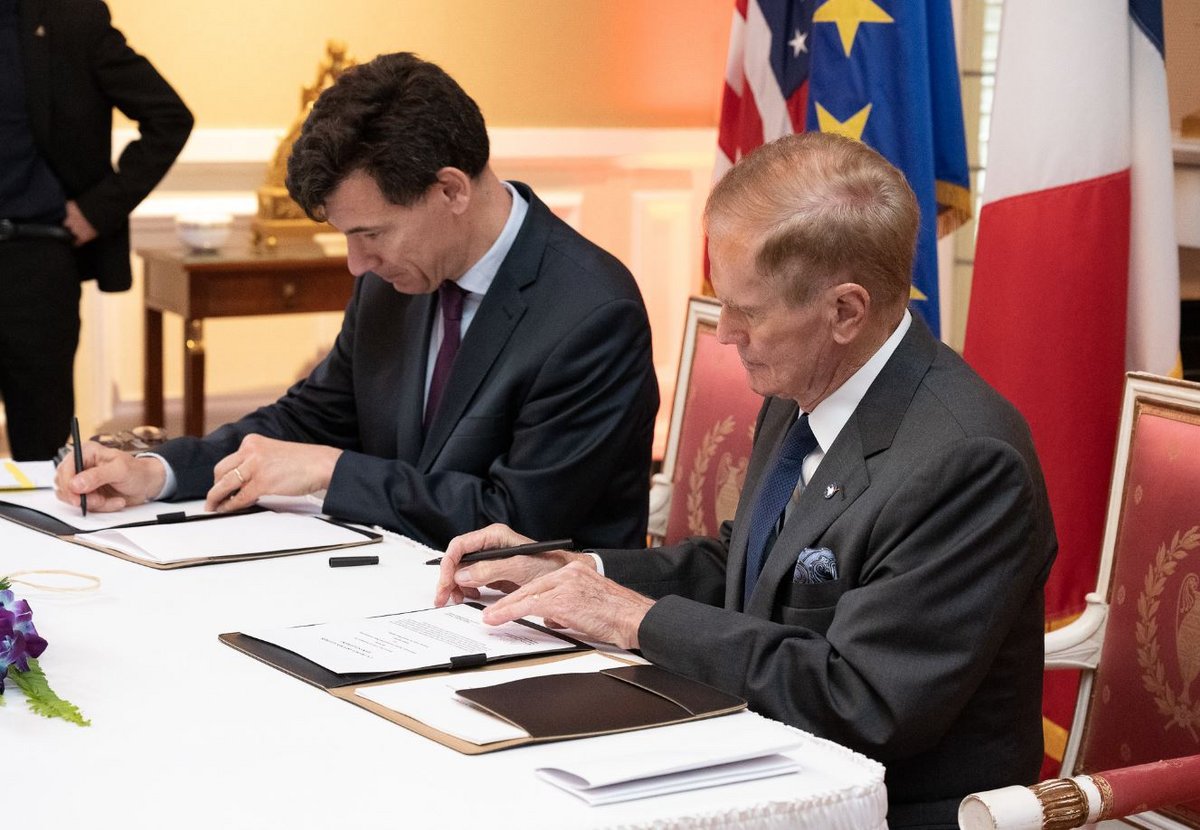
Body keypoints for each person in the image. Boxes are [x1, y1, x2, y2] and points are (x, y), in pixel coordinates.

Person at [436, 132, 1057, 828]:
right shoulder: (809, 385)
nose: (724, 332)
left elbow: (863, 702)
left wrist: (635, 619)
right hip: (761, 753)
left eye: (747, 311)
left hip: (885, 806)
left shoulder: (966, 462)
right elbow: (747, 569)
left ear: (845, 311)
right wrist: (579, 569)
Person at [57, 52, 659, 550]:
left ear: (449, 189)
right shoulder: (395, 281)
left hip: (543, 632)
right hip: (399, 590)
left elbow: (520, 522)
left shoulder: (591, 314)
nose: (355, 264)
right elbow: (306, 419)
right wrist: (158, 471)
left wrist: (329, 470)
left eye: (370, 234)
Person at [1, 0, 192, 460]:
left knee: (43, 452)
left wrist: (96, 210)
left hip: (34, 261)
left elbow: (170, 117)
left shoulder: (71, 18)